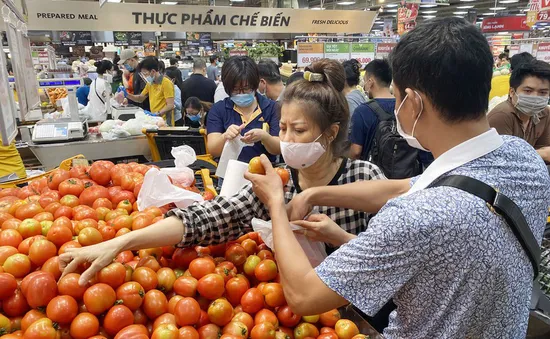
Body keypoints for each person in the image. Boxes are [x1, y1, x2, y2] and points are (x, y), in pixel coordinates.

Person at [244, 18, 550, 338]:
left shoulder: (414, 217)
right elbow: (407, 186)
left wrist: (277, 205)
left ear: (414, 103)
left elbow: (303, 296)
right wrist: (313, 195)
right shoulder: (523, 157)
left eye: (396, 97)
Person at [57, 59, 387, 293]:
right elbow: (211, 216)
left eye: (298, 130)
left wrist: (340, 241)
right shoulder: (279, 181)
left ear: (330, 133)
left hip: (354, 314)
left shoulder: (365, 179)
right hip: (301, 312)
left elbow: (390, 261)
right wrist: (122, 242)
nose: (285, 139)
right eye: (282, 128)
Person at [207, 56, 280, 162]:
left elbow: (279, 149)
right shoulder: (219, 109)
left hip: (264, 173)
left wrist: (265, 137)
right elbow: (213, 150)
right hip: (229, 174)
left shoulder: (272, 108)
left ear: (255, 84)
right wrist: (225, 136)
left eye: (246, 88)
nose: (241, 93)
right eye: (235, 90)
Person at [488, 60, 550, 163]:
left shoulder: (545, 113)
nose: (535, 97)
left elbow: (546, 153)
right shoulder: (502, 115)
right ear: (512, 92)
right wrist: (539, 154)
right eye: (528, 91)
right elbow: (502, 159)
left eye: (543, 92)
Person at [349, 59, 394, 160]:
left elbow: (356, 151)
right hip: (405, 172)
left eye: (365, 81)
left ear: (370, 82)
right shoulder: (403, 107)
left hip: (372, 172)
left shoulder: (362, 111)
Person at [123, 57, 175, 122]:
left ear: (153, 71)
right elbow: (140, 98)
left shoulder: (166, 83)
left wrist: (157, 114)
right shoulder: (150, 83)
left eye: (145, 73)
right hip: (155, 120)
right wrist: (127, 94)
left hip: (165, 121)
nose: (144, 76)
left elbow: (170, 105)